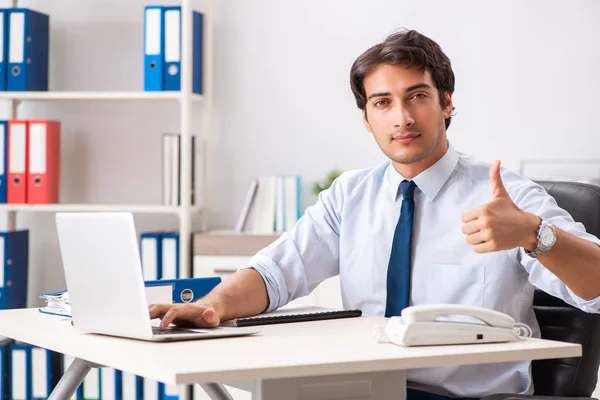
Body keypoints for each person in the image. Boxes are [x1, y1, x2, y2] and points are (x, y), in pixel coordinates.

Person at [149, 29, 600, 398]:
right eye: (382, 102)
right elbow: (274, 273)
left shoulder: (507, 196)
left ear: (446, 103)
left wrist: (534, 234)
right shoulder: (350, 194)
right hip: (364, 388)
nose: (401, 117)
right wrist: (211, 307)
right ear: (367, 118)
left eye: (417, 96)